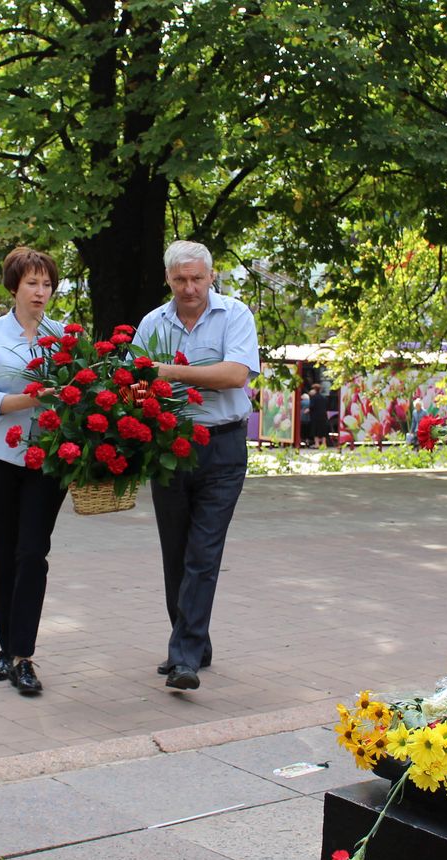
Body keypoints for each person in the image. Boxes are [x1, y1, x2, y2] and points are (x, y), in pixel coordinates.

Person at [137, 240, 260, 691]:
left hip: (223, 446)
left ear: (211, 276)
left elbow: (234, 375)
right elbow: (136, 380)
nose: (189, 288)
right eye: (180, 279)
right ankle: (193, 642)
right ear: (168, 279)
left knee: (203, 553)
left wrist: (168, 373)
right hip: (170, 447)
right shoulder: (153, 323)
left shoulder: (235, 316)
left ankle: (184, 656)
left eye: (197, 278)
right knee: (176, 552)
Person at [0, 247, 67, 696]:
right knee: (4, 554)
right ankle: (4, 649)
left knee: (33, 554)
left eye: (46, 284)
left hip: (45, 462)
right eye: (32, 283)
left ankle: (23, 656)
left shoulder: (63, 336)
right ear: (14, 287)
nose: (40, 292)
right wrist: (33, 397)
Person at [308, 382, 329, 449]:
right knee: (323, 430)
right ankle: (324, 444)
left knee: (315, 430)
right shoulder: (324, 397)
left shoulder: (314, 397)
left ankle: (317, 444)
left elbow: (311, 406)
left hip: (315, 416)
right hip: (323, 415)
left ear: (314, 389)